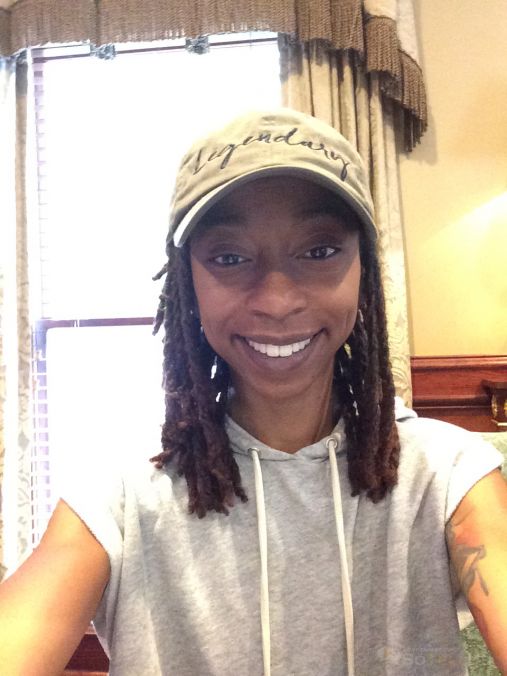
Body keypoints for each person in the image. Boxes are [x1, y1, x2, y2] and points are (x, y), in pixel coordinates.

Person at [0, 108, 506, 676]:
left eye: (319, 251)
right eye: (230, 257)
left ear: (363, 266)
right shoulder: (121, 498)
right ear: (188, 282)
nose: (277, 301)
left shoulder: (448, 475)